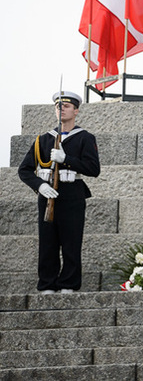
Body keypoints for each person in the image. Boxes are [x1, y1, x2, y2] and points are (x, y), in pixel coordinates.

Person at [18, 91, 100, 293]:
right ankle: (47, 284)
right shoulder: (43, 140)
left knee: (71, 241)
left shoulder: (84, 138)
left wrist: (67, 159)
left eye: (67, 105)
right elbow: (24, 170)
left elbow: (93, 169)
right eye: (58, 106)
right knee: (48, 241)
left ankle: (68, 284)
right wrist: (39, 185)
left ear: (76, 110)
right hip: (47, 194)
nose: (61, 108)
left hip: (72, 193)